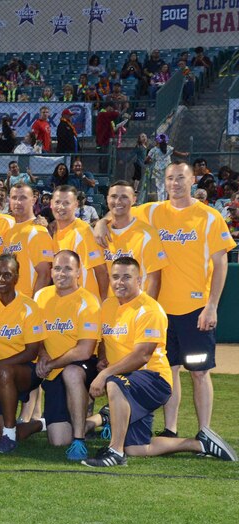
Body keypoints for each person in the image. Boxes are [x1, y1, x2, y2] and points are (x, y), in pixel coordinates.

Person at [83, 256, 235, 467]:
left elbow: (142, 355)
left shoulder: (149, 309)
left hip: (154, 379)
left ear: (139, 281)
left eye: (127, 277)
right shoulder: (108, 305)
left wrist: (104, 373)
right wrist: (102, 358)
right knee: (136, 448)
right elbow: (103, 339)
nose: (120, 282)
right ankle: (199, 444)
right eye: (116, 277)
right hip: (129, 380)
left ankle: (115, 452)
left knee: (114, 383)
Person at [131, 163, 235, 436]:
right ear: (164, 182)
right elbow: (117, 214)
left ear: (192, 181)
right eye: (170, 178)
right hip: (161, 312)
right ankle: (171, 429)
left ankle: (205, 432)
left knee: (199, 373)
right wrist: (101, 226)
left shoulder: (209, 217)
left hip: (195, 310)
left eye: (180, 178)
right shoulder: (152, 211)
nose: (175, 183)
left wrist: (211, 306)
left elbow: (221, 263)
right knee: (170, 370)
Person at [15, 249, 102, 460]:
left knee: (71, 373)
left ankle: (80, 438)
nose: (61, 273)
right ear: (51, 271)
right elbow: (37, 334)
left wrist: (51, 363)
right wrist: (43, 355)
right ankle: (100, 418)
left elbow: (85, 350)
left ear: (78, 272)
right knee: (58, 440)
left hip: (80, 366)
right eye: (57, 268)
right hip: (50, 368)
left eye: (68, 269)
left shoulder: (88, 302)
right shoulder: (42, 296)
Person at [0, 254, 46, 453]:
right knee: (3, 432)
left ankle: (9, 435)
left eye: (7, 274)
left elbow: (31, 352)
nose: (1, 279)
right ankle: (39, 424)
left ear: (16, 277)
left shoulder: (29, 306)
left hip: (26, 371)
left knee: (5, 372)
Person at [96, 180, 167, 301]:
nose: (118, 201)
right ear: (107, 199)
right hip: (112, 308)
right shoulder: (100, 234)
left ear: (134, 200)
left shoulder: (147, 235)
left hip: (138, 307)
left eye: (124, 197)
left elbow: (154, 280)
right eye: (114, 196)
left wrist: (146, 310)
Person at [49, 185, 107, 299]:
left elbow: (101, 271)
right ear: (51, 204)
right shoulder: (52, 231)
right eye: (57, 202)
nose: (61, 207)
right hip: (66, 304)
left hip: (86, 304)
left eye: (66, 203)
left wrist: (104, 303)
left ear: (75, 205)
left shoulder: (83, 231)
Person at [1, 183, 55, 296]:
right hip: (11, 301)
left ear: (33, 200)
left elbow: (45, 274)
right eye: (14, 198)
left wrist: (32, 305)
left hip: (26, 303)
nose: (18, 202)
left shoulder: (38, 232)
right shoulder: (9, 231)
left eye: (23, 198)